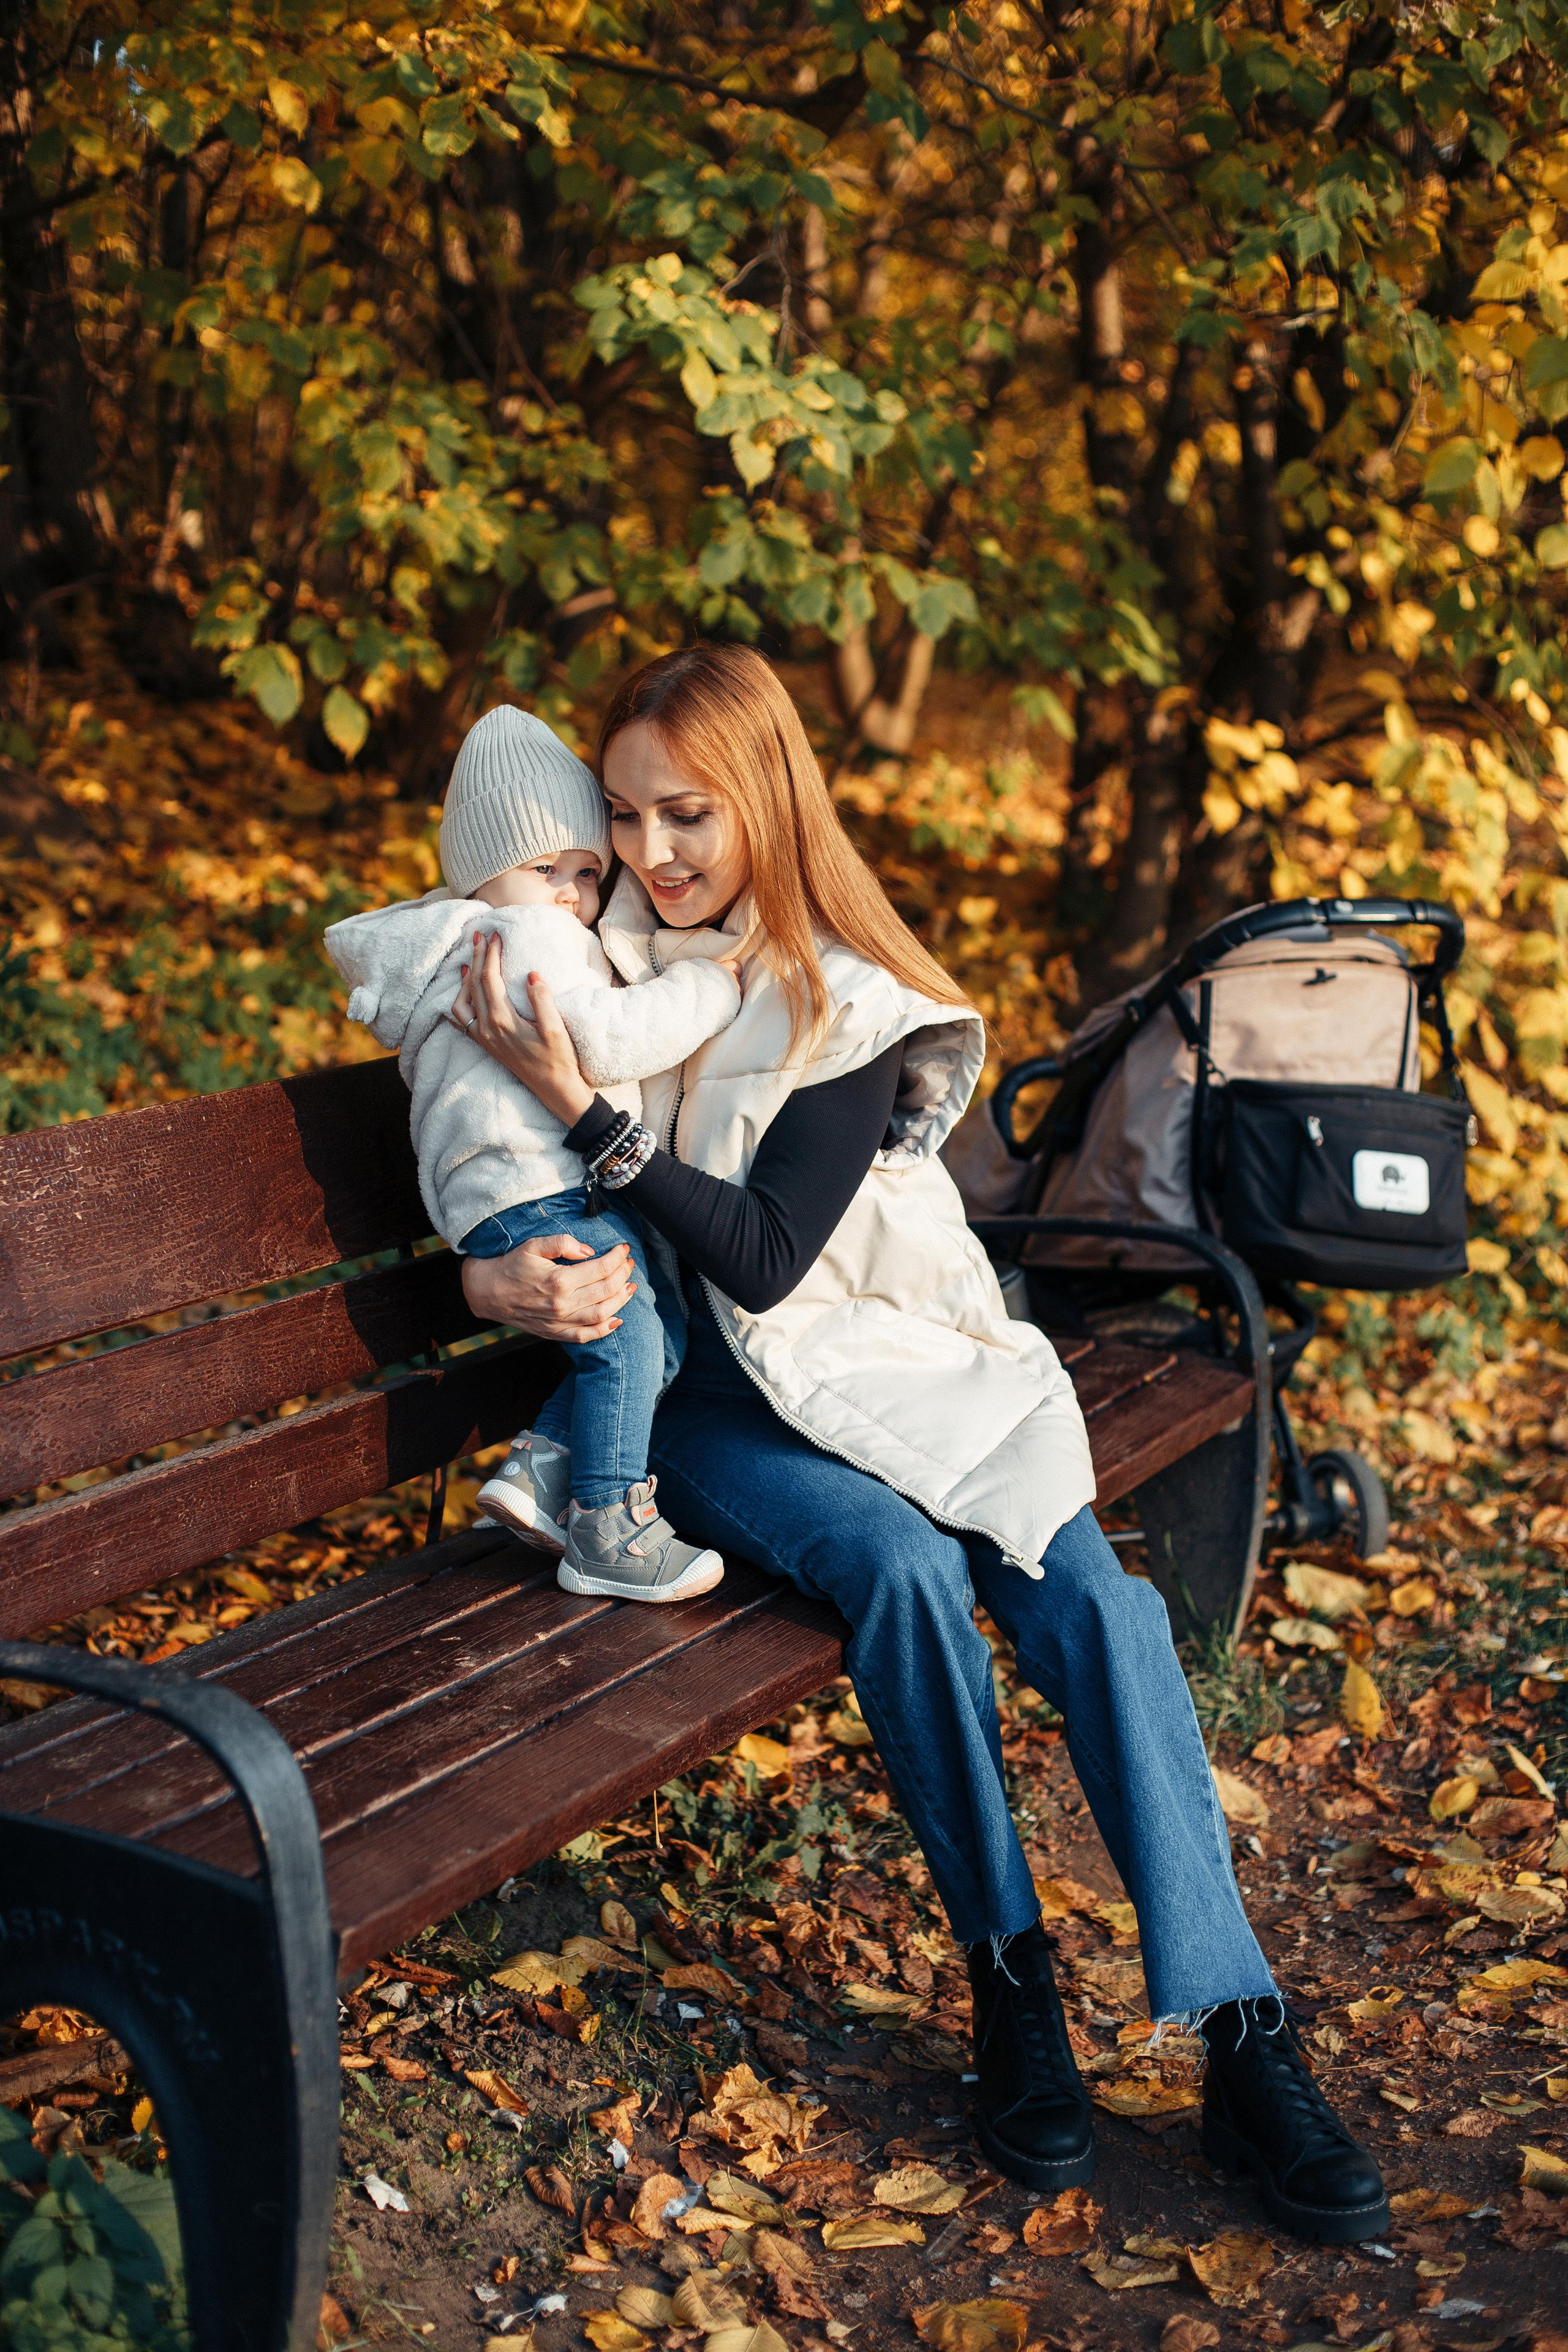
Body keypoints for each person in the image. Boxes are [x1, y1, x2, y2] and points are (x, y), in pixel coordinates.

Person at [453, 646, 1390, 2245]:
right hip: (706, 1411)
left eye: (689, 815)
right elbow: (466, 1150)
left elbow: (764, 1256)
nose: (652, 852)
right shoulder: (570, 954)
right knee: (896, 1568)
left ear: (766, 803)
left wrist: (592, 1117)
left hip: (898, 1367)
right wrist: (488, 1278)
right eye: (624, 814)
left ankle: (1246, 2037)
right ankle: (1012, 1983)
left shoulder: (848, 999)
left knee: (1097, 1604)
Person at [325, 702, 742, 1603]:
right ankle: (608, 1529)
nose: (568, 894)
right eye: (544, 868)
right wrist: (709, 985)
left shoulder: (472, 936)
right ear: (482, 872)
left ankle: (542, 1471)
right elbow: (610, 1042)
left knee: (656, 1330)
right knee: (630, 1332)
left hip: (502, 1191)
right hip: (535, 1184)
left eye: (587, 873)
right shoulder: (528, 938)